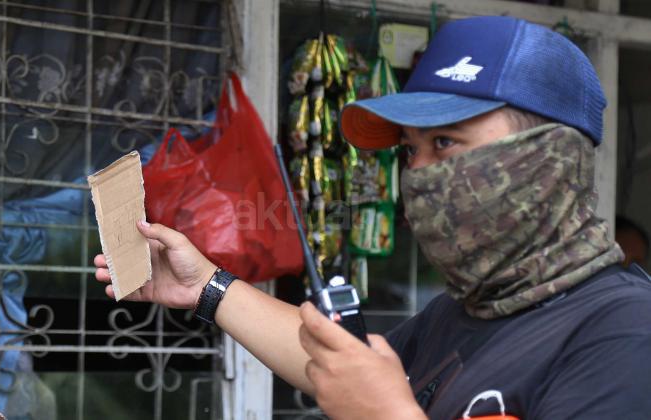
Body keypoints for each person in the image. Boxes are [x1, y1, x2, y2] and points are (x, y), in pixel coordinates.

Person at [95, 16, 651, 419]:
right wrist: (206, 287)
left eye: (445, 142)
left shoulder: (626, 333)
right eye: (410, 150)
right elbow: (341, 364)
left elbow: (371, 397)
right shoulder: (460, 313)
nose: (418, 173)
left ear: (551, 159)